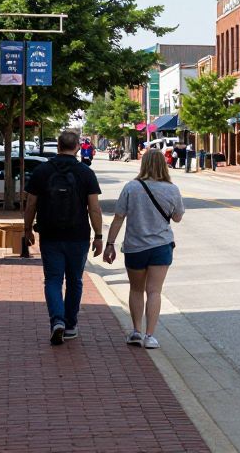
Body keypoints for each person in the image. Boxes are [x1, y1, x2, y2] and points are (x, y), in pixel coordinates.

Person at [22, 130, 103, 345]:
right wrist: (99, 235)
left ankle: (57, 320)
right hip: (78, 235)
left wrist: (27, 229)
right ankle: (70, 325)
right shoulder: (85, 173)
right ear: (77, 146)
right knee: (75, 280)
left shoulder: (42, 171)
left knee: (53, 280)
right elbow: (94, 208)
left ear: (58, 146)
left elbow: (30, 204)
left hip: (50, 234)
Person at [102, 148, 184, 349]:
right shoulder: (172, 189)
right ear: (164, 165)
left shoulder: (131, 187)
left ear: (143, 164)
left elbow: (119, 217)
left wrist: (110, 244)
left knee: (136, 289)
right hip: (161, 246)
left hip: (135, 247)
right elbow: (177, 217)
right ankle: (150, 336)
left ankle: (136, 331)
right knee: (154, 291)